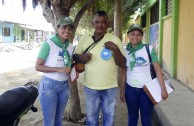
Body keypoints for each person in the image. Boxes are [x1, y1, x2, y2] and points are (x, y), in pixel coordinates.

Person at [73, 11, 126, 126]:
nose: (100, 25)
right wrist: (81, 56)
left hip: (110, 87)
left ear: (108, 24)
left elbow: (122, 64)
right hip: (91, 87)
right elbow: (74, 55)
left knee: (109, 117)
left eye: (103, 22)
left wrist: (116, 49)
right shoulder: (85, 38)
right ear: (93, 23)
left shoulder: (114, 39)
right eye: (97, 22)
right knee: (92, 118)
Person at [120, 24, 168, 126]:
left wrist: (163, 89)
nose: (135, 37)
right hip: (130, 90)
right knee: (132, 118)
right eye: (132, 34)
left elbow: (158, 70)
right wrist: (122, 91)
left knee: (146, 119)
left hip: (146, 90)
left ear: (142, 36)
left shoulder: (148, 49)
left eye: (138, 34)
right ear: (128, 35)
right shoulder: (125, 52)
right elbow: (123, 72)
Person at [35, 17, 74, 126]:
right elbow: (38, 66)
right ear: (57, 28)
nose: (67, 31)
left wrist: (72, 71)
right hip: (49, 86)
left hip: (64, 86)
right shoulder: (49, 44)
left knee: (58, 119)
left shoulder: (70, 46)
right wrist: (58, 69)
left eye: (70, 28)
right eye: (64, 27)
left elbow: (68, 63)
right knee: (49, 122)